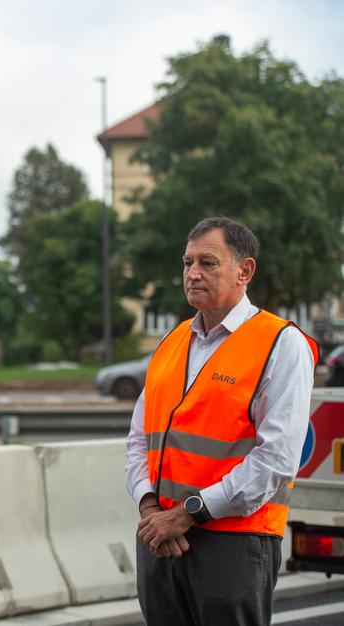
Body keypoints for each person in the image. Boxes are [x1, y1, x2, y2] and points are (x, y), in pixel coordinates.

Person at [124, 217, 318, 625]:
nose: (192, 273)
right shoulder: (172, 342)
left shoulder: (281, 344)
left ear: (244, 271)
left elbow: (277, 460)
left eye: (207, 263)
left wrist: (188, 513)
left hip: (234, 543)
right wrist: (149, 506)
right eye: (187, 262)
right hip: (160, 538)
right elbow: (139, 439)